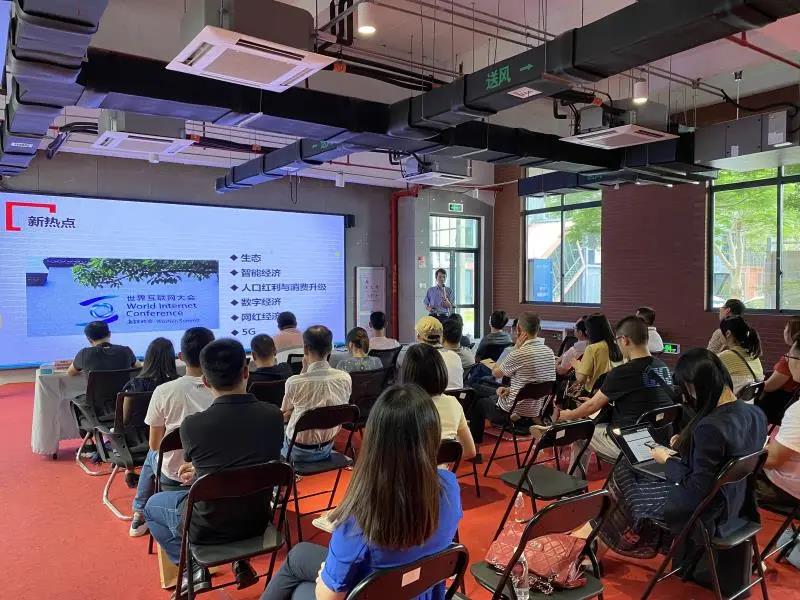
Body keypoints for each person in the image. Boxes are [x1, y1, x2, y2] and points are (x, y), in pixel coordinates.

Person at [261, 384, 463, 600]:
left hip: (373, 591)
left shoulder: (361, 517)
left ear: (374, 440)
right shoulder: (449, 486)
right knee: (299, 555)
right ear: (433, 435)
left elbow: (328, 597)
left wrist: (323, 579)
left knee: (300, 589)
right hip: (420, 591)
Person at [598, 349, 767, 563]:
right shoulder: (755, 414)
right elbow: (724, 460)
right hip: (738, 503)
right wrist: (684, 451)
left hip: (706, 512)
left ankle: (599, 546)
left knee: (623, 475)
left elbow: (698, 488)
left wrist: (667, 460)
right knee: (629, 471)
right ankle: (604, 542)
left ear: (694, 386)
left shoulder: (711, 427)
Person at [144, 338, 284, 593]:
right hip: (258, 521)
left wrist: (200, 471)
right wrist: (202, 470)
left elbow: (208, 459)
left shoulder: (193, 426)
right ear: (246, 371)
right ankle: (240, 562)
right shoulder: (273, 415)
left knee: (152, 506)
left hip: (207, 527)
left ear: (206, 382)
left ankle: (192, 568)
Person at [129, 328, 215, 537]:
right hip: (215, 469)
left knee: (152, 455)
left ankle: (140, 513)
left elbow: (155, 445)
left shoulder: (164, 391)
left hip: (176, 474)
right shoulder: (224, 390)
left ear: (181, 357)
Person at [558, 316, 675, 465]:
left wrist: (569, 414)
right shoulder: (663, 368)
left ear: (624, 340)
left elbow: (591, 406)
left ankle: (573, 479)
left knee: (579, 432)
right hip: (662, 441)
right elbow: (640, 401)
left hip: (632, 443)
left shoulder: (622, 372)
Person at [472, 312, 555, 444]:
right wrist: (511, 390)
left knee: (479, 404)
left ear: (518, 329)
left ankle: (475, 446)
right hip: (536, 409)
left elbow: (495, 372)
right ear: (538, 329)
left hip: (512, 410)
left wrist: (515, 347)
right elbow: (537, 382)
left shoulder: (518, 353)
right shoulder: (549, 352)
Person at [281, 325, 352, 462]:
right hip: (327, 447)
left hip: (296, 451)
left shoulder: (294, 382)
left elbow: (284, 415)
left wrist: (303, 373)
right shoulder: (345, 378)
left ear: (305, 349)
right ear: (330, 348)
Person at [120, 337, 178, 488]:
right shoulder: (177, 385)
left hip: (137, 441)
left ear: (148, 357)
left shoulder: (134, 385)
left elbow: (124, 420)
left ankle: (130, 470)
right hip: (172, 441)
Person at [402, 344, 476, 460]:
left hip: (408, 470)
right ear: (441, 371)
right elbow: (470, 451)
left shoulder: (400, 406)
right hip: (440, 470)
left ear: (408, 373)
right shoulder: (453, 403)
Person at [757, 335, 800, 512]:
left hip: (790, 489)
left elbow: (772, 460)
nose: (788, 361)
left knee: (727, 475)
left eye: (790, 357)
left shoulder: (798, 410)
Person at [398, 316, 463, 390]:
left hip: (428, 397)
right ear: (441, 336)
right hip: (456, 397)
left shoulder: (417, 357)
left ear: (418, 336)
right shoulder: (455, 356)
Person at [759, 317, 800, 425]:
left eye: (786, 329)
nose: (784, 331)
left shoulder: (788, 360)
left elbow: (770, 386)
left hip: (779, 402)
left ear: (792, 333)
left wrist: (753, 384)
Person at [573, 313, 623, 395]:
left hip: (593, 394)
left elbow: (581, 379)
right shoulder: (618, 345)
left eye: (587, 329)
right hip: (612, 394)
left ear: (592, 331)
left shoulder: (592, 348)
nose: (586, 332)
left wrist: (577, 366)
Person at [67, 320, 138, 376]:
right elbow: (139, 368)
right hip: (124, 390)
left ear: (89, 339)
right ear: (109, 334)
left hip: (96, 391)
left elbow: (70, 373)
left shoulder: (84, 354)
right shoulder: (126, 351)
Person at [717, 316, 764, 395]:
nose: (718, 335)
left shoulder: (726, 356)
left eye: (720, 332)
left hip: (732, 401)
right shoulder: (752, 354)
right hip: (750, 401)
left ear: (728, 333)